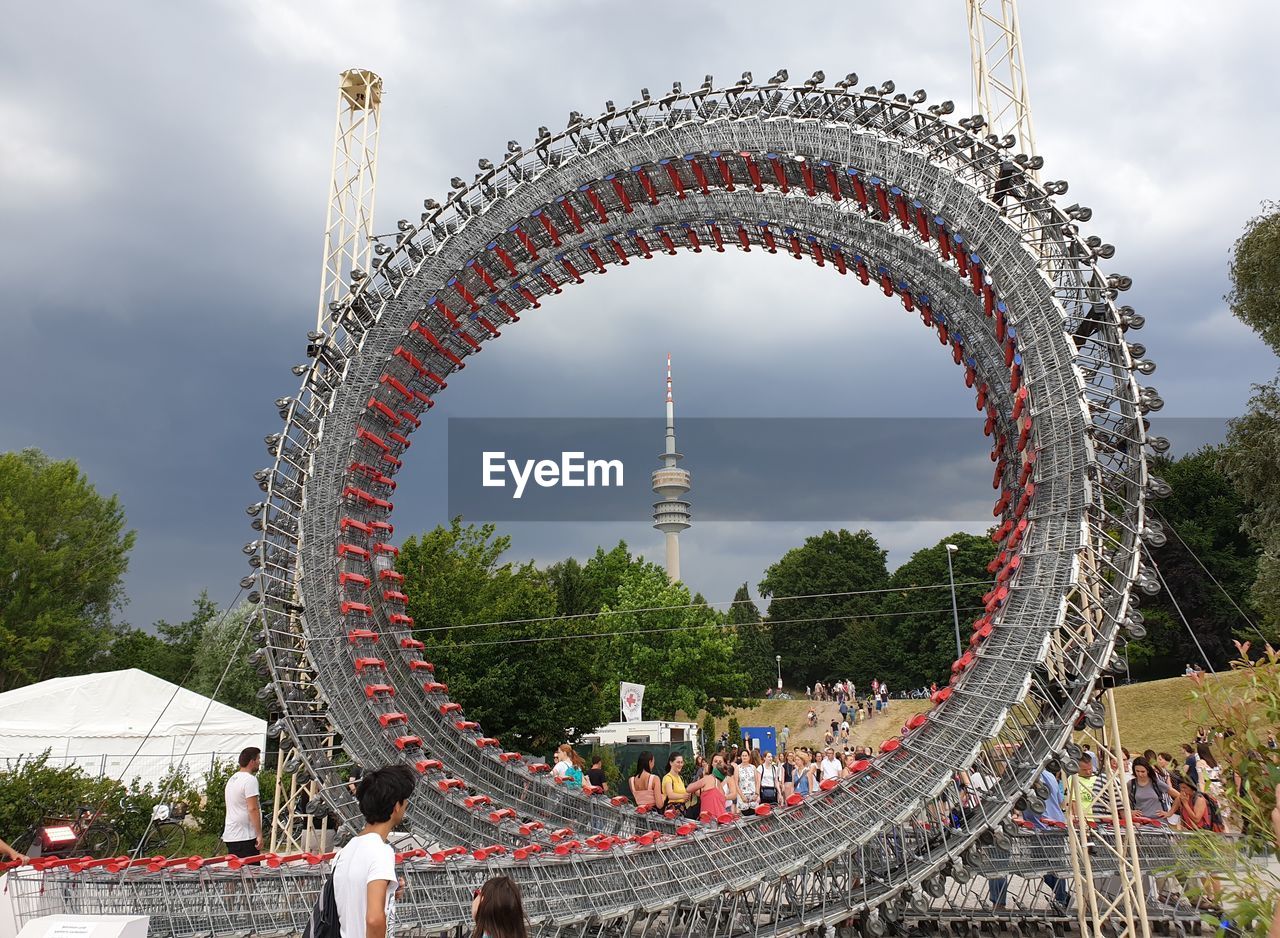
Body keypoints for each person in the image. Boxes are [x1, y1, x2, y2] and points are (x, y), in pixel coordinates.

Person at [333, 764, 415, 938]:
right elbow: (374, 919)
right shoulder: (381, 852)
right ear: (397, 806)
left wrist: (388, 891)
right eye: (406, 800)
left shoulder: (346, 850)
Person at [222, 746, 263, 858]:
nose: (259, 762)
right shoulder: (250, 780)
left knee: (236, 871)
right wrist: (259, 834)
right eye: (258, 759)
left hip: (231, 834)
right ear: (252, 761)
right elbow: (252, 808)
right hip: (245, 836)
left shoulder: (232, 778)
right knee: (251, 872)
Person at [1128, 757, 1171, 823]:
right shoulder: (1131, 784)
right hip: (1140, 823)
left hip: (1159, 822)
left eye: (1143, 771)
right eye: (1137, 771)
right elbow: (1122, 801)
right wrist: (1130, 811)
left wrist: (1169, 813)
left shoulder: (1156, 783)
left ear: (1148, 770)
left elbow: (1178, 796)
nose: (1140, 774)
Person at [661, 754, 698, 819]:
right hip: (672, 811)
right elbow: (670, 795)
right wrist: (683, 796)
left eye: (681, 762)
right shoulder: (668, 778)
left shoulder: (681, 778)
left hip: (683, 810)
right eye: (678, 762)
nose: (680, 764)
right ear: (671, 763)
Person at [735, 749, 759, 814]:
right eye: (743, 756)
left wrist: (756, 794)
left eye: (746, 755)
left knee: (754, 816)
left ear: (749, 757)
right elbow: (736, 784)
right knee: (744, 816)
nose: (744, 757)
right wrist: (742, 796)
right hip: (743, 796)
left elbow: (757, 782)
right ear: (741, 757)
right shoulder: (737, 768)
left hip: (753, 796)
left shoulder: (753, 767)